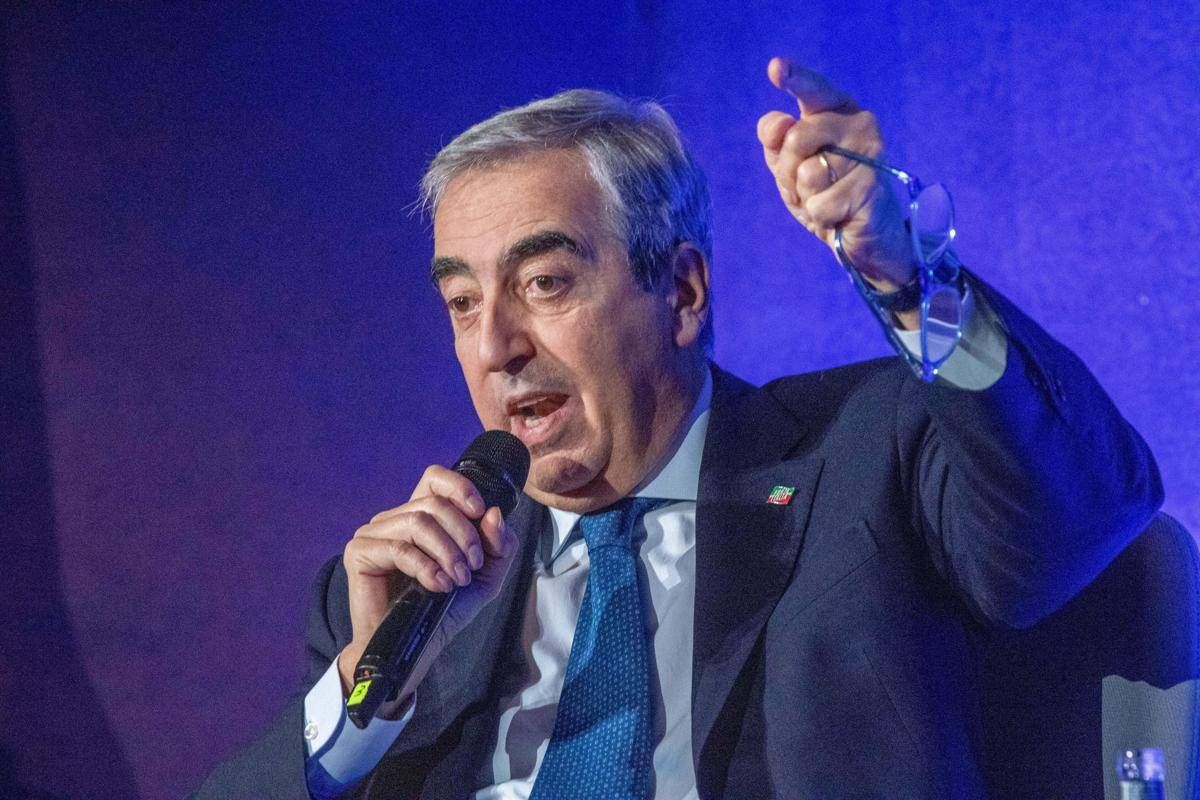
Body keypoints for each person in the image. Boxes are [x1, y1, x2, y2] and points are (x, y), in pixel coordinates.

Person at [192, 57, 1161, 799]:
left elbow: (1087, 517)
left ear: (683, 291)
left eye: (544, 283)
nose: (495, 346)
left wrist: (913, 279)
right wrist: (367, 690)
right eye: (461, 302)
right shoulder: (403, 591)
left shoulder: (867, 451)